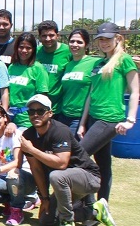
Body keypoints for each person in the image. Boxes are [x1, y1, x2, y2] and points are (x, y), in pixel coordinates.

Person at [20, 94, 114, 226]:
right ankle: (94, 212)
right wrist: (45, 198)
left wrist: (32, 150)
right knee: (45, 221)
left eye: (40, 111)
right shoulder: (28, 136)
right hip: (64, 183)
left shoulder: (60, 131)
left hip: (88, 178)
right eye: (31, 111)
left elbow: (62, 163)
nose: (35, 115)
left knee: (57, 175)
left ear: (50, 113)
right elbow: (36, 170)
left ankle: (67, 221)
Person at [78, 22, 139, 202]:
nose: (104, 43)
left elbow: (135, 91)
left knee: (78, 157)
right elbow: (91, 94)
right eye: (101, 40)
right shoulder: (99, 62)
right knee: (103, 164)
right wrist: (82, 123)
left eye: (108, 39)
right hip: (93, 119)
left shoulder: (124, 59)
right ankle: (101, 205)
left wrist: (130, 120)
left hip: (109, 119)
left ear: (117, 38)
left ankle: (72, 204)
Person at [58, 29, 102, 135]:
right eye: (72, 41)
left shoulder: (95, 63)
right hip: (63, 115)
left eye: (79, 42)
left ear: (86, 45)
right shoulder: (68, 65)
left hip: (80, 117)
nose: (74, 44)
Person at [8, 33, 49, 128]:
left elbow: (42, 98)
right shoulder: (12, 67)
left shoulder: (38, 68)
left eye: (28, 48)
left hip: (27, 120)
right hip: (10, 117)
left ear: (33, 49)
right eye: (21, 47)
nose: (24, 50)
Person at [36, 20, 72, 113]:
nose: (48, 39)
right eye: (44, 36)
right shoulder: (35, 52)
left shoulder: (68, 51)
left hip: (59, 107)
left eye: (51, 35)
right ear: (39, 37)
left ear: (58, 35)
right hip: (38, 105)